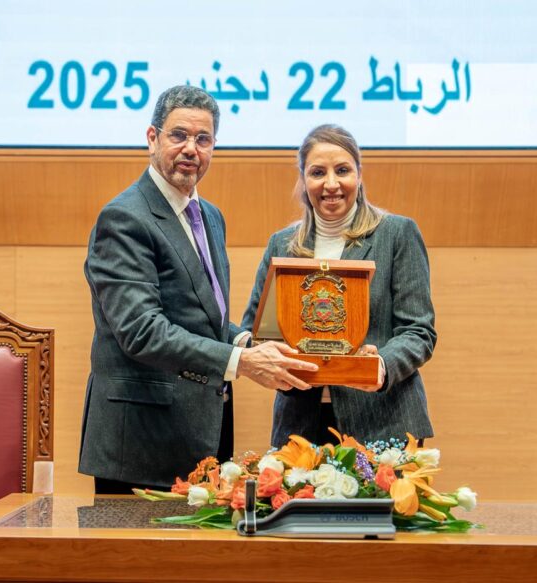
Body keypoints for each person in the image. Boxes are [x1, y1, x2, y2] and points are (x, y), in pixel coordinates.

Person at [78, 86, 317, 494]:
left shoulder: (210, 216)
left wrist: (245, 341)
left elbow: (204, 317)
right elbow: (142, 331)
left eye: (203, 139)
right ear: (152, 138)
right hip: (140, 445)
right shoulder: (124, 218)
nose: (191, 148)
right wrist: (241, 361)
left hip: (203, 435)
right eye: (179, 135)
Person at [241, 124, 437, 448]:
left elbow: (419, 332)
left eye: (342, 170)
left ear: (359, 176)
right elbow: (254, 331)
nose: (331, 184)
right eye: (318, 172)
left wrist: (380, 365)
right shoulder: (282, 244)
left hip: (382, 421)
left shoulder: (397, 234)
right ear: (303, 180)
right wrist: (266, 356)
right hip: (299, 426)